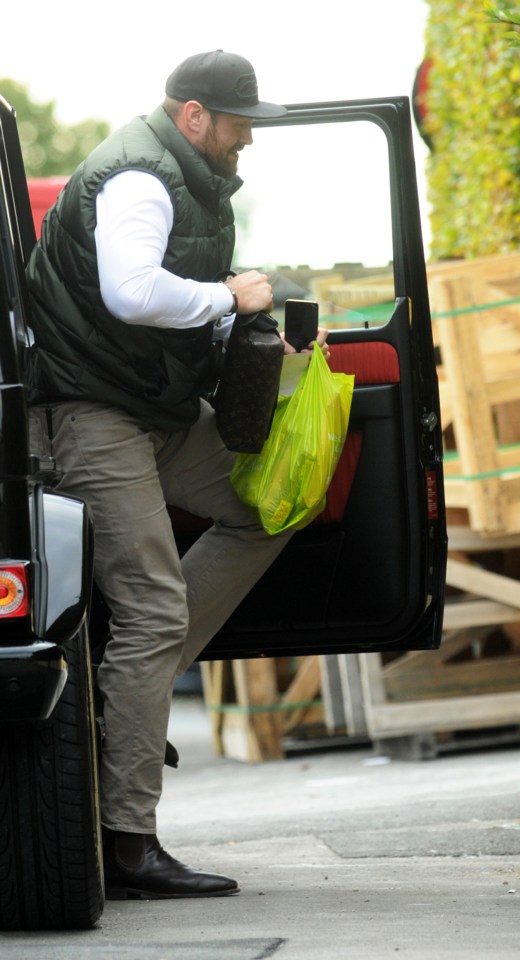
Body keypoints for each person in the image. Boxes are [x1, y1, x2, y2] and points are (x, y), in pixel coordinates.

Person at [25, 50, 328, 901]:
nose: (247, 141)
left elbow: (163, 300)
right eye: (239, 124)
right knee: (154, 608)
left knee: (273, 505)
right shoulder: (140, 177)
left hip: (152, 410)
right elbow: (131, 293)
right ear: (193, 116)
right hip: (90, 415)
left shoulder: (189, 178)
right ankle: (128, 844)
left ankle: (130, 699)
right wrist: (231, 298)